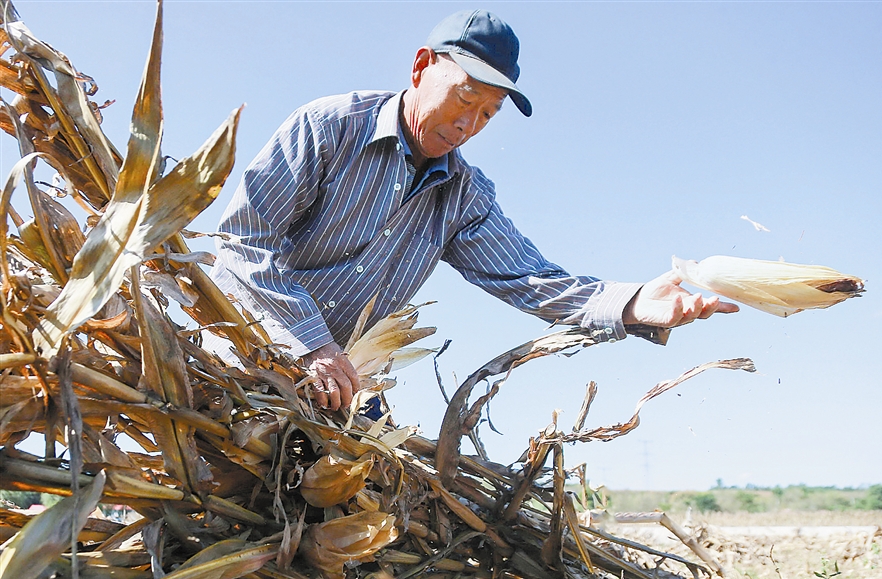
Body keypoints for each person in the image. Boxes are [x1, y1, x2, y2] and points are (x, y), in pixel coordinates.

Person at [207, 10, 738, 411]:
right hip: (241, 361)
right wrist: (311, 344)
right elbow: (244, 243)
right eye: (464, 98)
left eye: (488, 112)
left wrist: (635, 303)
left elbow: (533, 280)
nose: (469, 124)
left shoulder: (464, 196)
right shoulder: (328, 128)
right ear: (421, 67)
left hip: (339, 390)